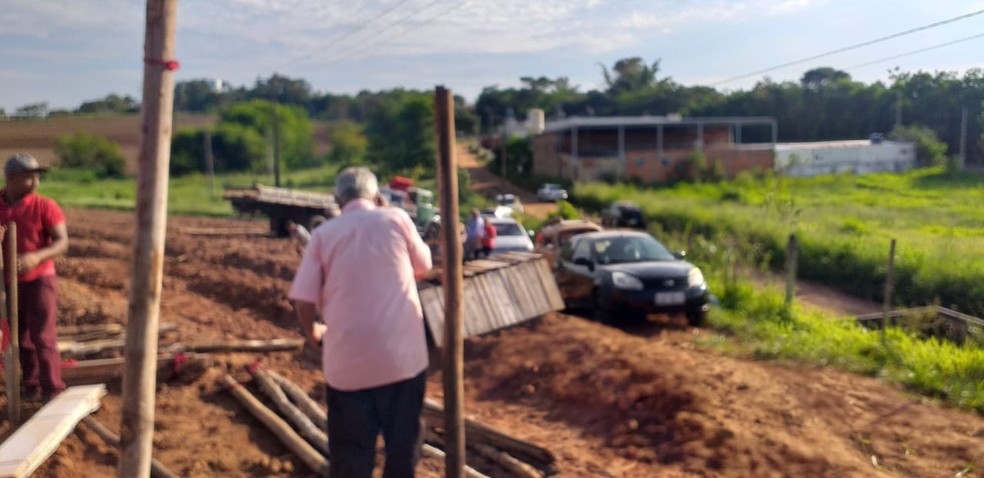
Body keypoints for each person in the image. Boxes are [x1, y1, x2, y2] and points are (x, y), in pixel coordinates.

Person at [289, 167, 432, 478]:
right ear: (378, 196)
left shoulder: (323, 236)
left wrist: (313, 331)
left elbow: (303, 300)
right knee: (402, 449)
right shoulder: (396, 219)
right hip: (403, 363)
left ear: (337, 200)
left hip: (348, 370)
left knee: (352, 456)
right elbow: (423, 266)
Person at [0, 153, 69, 403]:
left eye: (37, 176)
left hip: (40, 278)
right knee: (19, 336)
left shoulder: (44, 206)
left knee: (43, 336)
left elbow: (61, 242)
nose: (35, 181)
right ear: (11, 178)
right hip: (7, 282)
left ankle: (53, 389)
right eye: (29, 176)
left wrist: (36, 257)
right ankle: (31, 385)